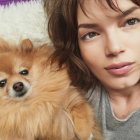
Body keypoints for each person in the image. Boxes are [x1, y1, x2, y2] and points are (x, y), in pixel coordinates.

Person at [44, 0, 140, 139]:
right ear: (76, 46)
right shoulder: (69, 95)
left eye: (131, 21)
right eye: (91, 34)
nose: (114, 48)